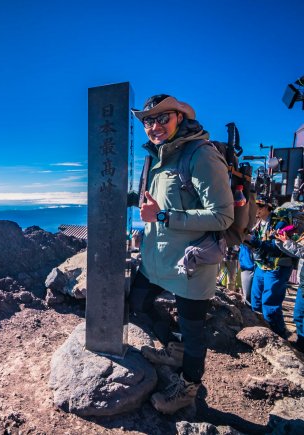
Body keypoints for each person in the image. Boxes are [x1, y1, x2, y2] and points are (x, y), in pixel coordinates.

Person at [130, 94, 234, 414]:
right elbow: (153, 204)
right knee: (138, 302)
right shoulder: (158, 158)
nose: (155, 126)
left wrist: (162, 217)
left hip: (190, 262)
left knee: (193, 330)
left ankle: (188, 386)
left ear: (181, 118)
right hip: (157, 257)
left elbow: (222, 216)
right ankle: (174, 350)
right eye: (149, 120)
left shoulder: (200, 155)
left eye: (164, 118)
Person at [247, 199, 293, 338]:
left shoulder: (280, 223)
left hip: (276, 267)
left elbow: (276, 247)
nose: (254, 211)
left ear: (266, 207)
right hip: (262, 266)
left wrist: (253, 241)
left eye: (256, 207)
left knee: (270, 306)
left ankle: (279, 336)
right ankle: (259, 334)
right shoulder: (258, 223)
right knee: (256, 302)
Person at [275, 230, 304, 352]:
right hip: (302, 282)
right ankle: (301, 344)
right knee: (299, 314)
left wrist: (287, 242)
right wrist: (281, 243)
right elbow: (296, 253)